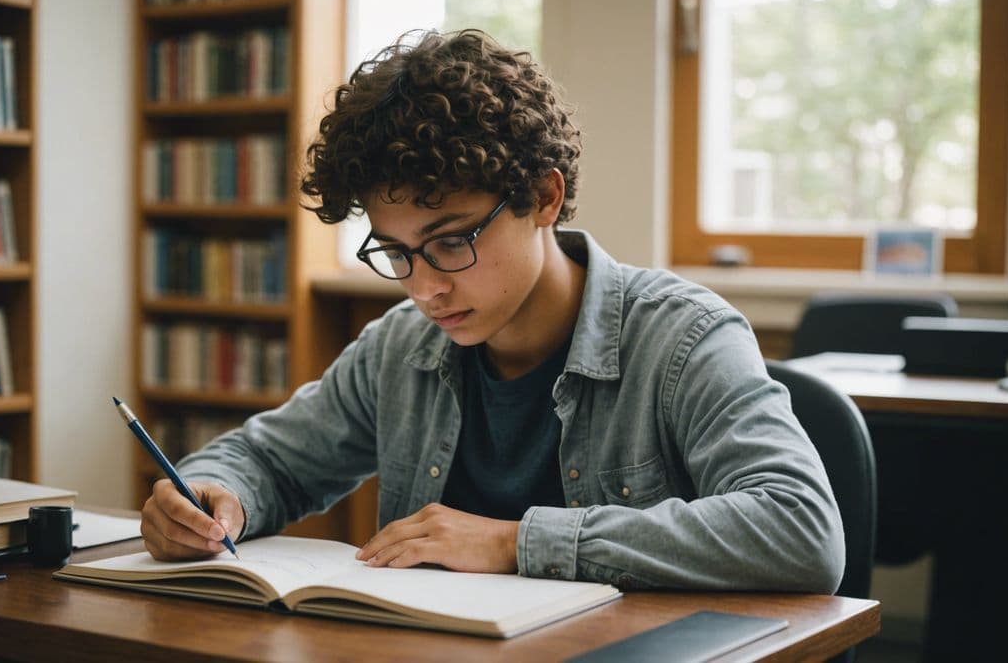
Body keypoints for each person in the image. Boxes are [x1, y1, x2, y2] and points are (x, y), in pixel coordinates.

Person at [142, 29, 844, 592]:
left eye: (450, 242)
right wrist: (215, 494)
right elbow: (270, 461)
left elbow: (799, 529)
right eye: (395, 252)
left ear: (542, 197)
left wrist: (516, 542)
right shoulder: (401, 347)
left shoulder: (683, 339)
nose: (423, 289)